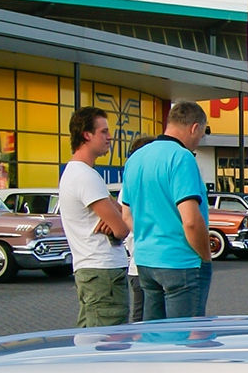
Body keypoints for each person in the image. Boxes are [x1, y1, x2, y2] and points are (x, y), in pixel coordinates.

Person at [120, 101, 211, 320]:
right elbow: (190, 219)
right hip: (181, 261)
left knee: (155, 337)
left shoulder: (136, 159)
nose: (199, 140)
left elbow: (126, 215)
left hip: (146, 261)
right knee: (185, 338)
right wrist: (205, 255)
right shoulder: (182, 157)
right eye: (202, 133)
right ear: (194, 127)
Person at [58, 106, 131, 327]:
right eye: (103, 132)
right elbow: (122, 228)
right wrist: (116, 222)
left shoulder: (81, 174)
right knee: (107, 343)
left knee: (92, 338)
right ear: (86, 134)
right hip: (102, 272)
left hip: (95, 271)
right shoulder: (85, 176)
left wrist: (115, 218)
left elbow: (119, 213)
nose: (109, 137)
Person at [122, 135, 156, 321]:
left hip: (145, 264)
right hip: (140, 264)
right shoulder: (132, 187)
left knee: (146, 316)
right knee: (142, 316)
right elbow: (125, 219)